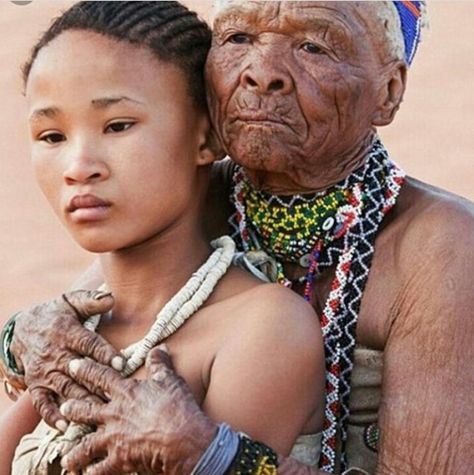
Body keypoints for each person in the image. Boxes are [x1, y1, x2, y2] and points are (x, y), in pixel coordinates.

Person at [1, 0, 473, 474]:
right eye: (238, 39)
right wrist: (21, 337)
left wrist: (216, 455)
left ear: (388, 91)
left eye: (313, 46)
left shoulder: (442, 248)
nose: (262, 72)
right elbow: (90, 315)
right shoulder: (192, 192)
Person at [0, 1, 326, 473]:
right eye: (51, 136)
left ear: (207, 138)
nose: (78, 167)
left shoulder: (263, 329)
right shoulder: (64, 331)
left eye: (117, 126)